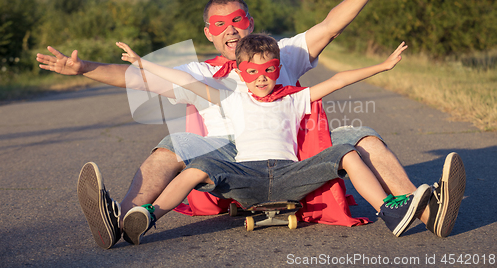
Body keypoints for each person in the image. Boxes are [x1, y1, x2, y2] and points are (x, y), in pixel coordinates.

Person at [36, 0, 466, 250]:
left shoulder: (281, 54)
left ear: (251, 23)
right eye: (219, 25)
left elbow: (330, 25)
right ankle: (123, 221)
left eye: (237, 20)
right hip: (225, 158)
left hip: (289, 152)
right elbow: (138, 77)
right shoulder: (201, 72)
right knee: (171, 146)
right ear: (208, 33)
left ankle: (423, 210)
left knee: (363, 134)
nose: (230, 29)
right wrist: (84, 68)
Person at [114, 34, 435, 244]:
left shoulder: (294, 97)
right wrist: (143, 63)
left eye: (269, 69)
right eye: (253, 72)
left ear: (278, 67)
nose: (263, 77)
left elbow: (337, 80)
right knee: (199, 165)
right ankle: (150, 213)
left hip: (292, 174)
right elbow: (184, 79)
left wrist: (383, 66)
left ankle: (389, 210)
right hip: (245, 176)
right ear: (239, 72)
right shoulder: (229, 98)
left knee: (345, 152)